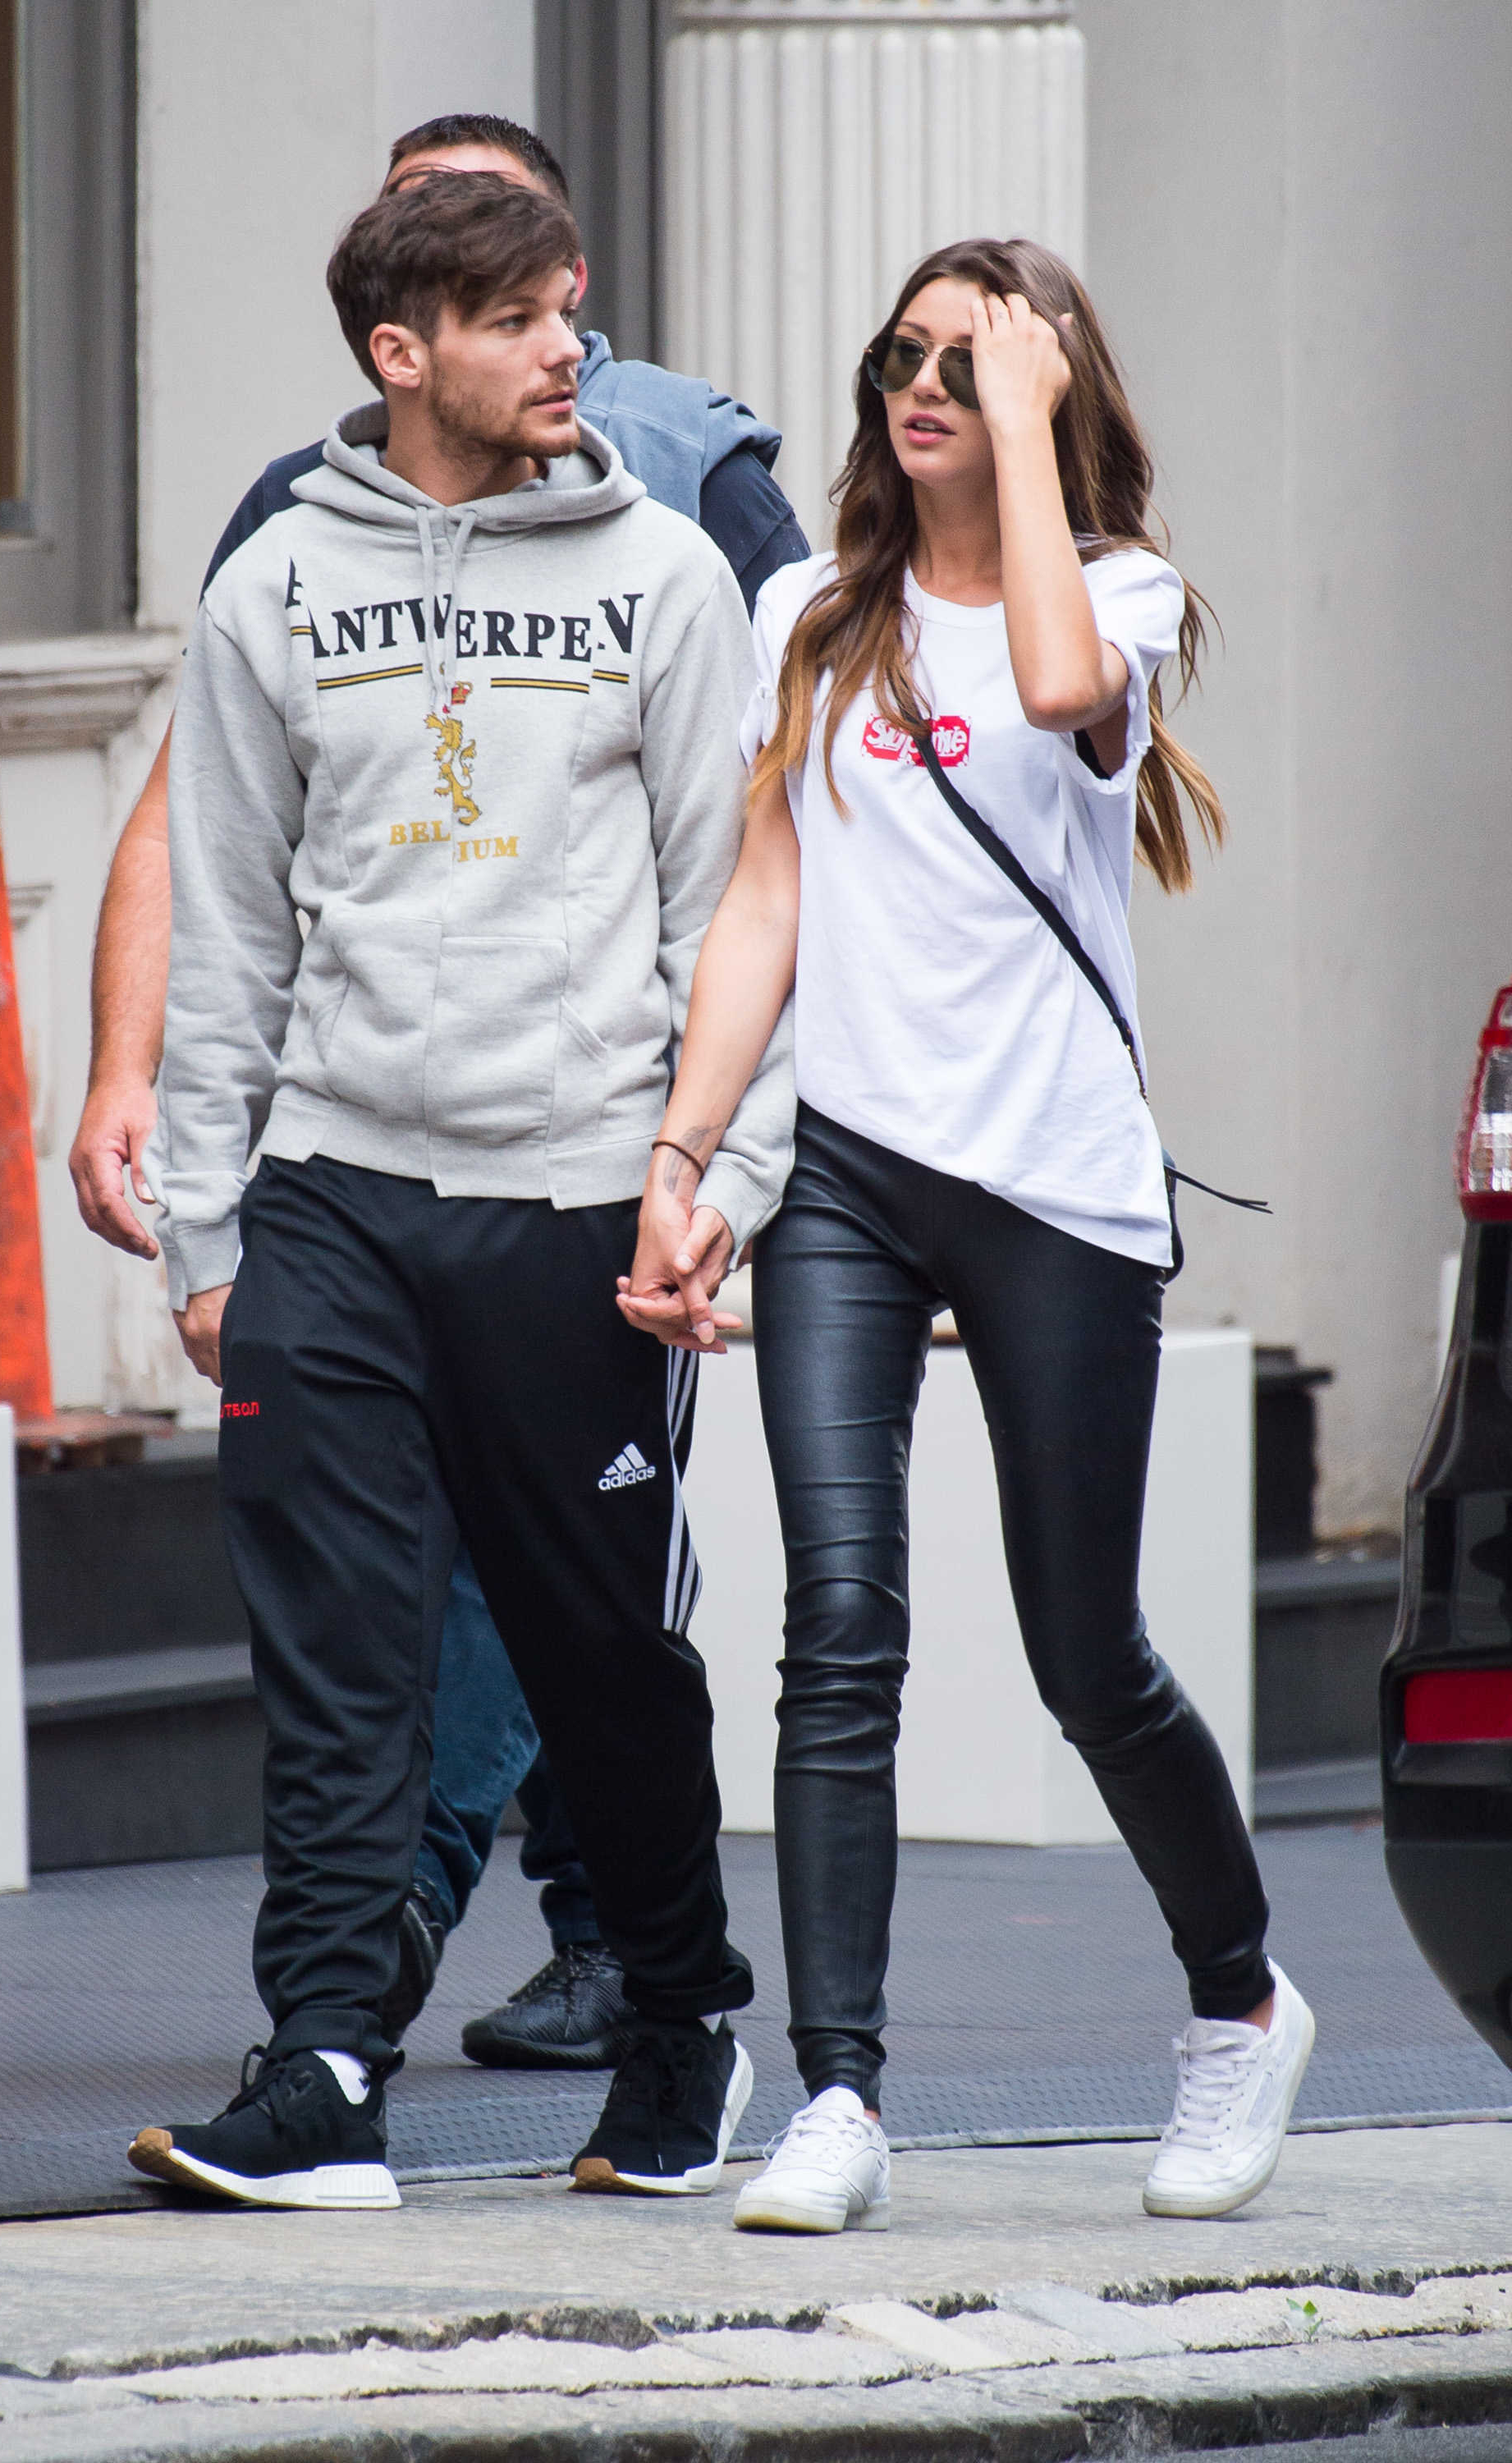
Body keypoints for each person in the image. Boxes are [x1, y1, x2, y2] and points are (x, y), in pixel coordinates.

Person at [69, 112, 809, 2073]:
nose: (570, 348)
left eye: (565, 306)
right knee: (337, 1653)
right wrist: (207, 1229)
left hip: (576, 1199)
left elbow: (740, 914)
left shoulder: (669, 571)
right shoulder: (278, 578)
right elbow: (228, 914)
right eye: (516, 319)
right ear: (402, 351)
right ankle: (323, 2057)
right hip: (331, 1193)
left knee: (594, 1650)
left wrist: (714, 1178)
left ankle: (678, 2014)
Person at [621, 236, 1316, 2235]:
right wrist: (688, 1155)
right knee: (836, 1630)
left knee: (1085, 1652)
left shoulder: (1117, 597)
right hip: (847, 1174)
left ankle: (1238, 2001)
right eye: (903, 356)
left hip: (1052, 1183)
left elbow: (1058, 690)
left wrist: (1024, 424)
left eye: (969, 362)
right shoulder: (805, 616)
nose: (922, 386)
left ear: (1043, 395)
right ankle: (837, 2096)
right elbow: (763, 899)